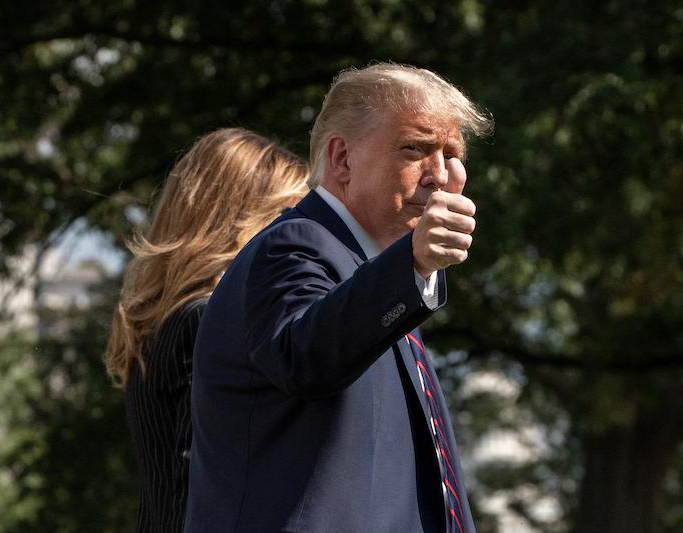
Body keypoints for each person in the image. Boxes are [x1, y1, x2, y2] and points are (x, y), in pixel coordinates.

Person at [186, 63, 492, 533]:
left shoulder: (373, 273)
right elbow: (307, 356)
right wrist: (412, 264)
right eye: (416, 148)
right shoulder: (295, 245)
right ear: (343, 159)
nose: (440, 174)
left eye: (453, 154)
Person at [103, 128, 309, 533]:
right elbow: (201, 483)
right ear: (237, 221)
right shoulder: (206, 322)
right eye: (284, 216)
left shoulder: (165, 320)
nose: (296, 236)